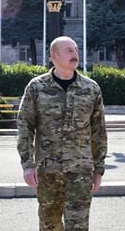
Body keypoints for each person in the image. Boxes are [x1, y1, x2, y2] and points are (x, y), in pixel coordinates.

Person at [17, 36, 108, 231]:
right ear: (53, 56)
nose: (74, 54)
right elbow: (25, 126)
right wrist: (27, 165)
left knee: (79, 226)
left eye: (75, 50)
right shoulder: (36, 87)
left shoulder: (91, 89)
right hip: (48, 172)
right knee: (50, 225)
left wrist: (98, 169)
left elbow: (99, 131)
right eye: (68, 50)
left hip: (80, 172)